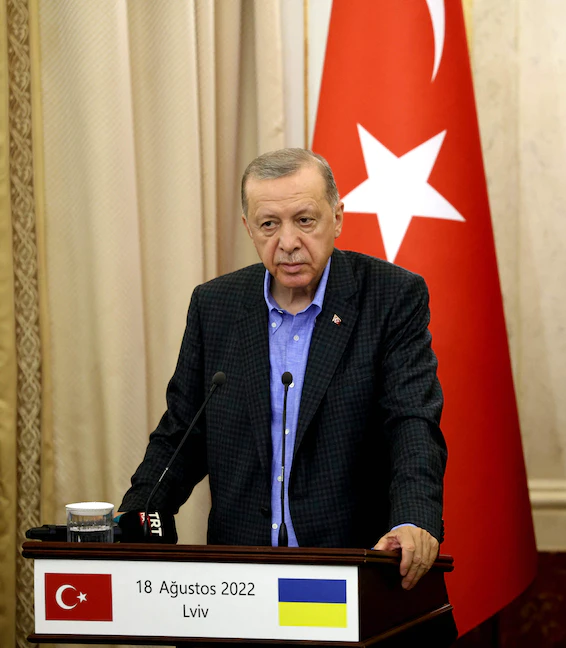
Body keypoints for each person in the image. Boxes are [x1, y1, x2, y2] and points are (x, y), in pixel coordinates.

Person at [120, 149, 446, 590]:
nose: (288, 242)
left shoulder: (391, 297)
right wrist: (139, 510)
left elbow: (411, 422)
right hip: (242, 577)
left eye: (305, 221)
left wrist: (412, 519)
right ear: (248, 228)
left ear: (337, 217)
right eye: (269, 224)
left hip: (354, 568)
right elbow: (182, 430)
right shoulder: (215, 305)